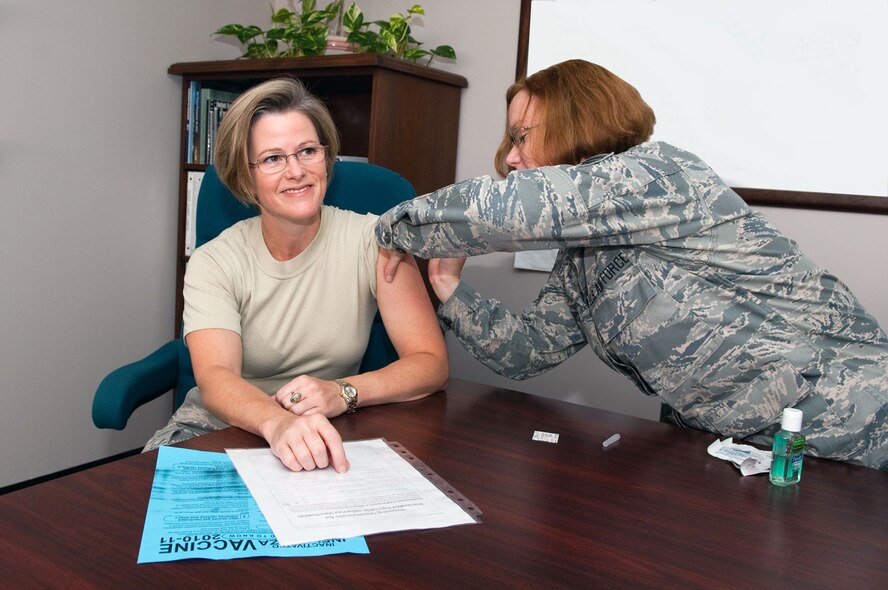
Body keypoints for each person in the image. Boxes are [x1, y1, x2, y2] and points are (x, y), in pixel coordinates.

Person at [375, 59, 887, 469]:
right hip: (742, 448)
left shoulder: (657, 174)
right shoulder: (583, 252)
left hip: (849, 427)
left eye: (520, 136)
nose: (511, 157)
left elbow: (509, 209)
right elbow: (527, 352)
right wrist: (449, 286)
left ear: (574, 123)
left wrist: (386, 228)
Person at [145, 78, 448, 472]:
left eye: (307, 151)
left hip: (325, 427)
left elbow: (430, 363)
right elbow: (217, 377)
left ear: (327, 157)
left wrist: (344, 391)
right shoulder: (214, 261)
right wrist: (278, 423)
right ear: (246, 175)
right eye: (272, 158)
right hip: (219, 427)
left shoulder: (377, 242)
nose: (296, 171)